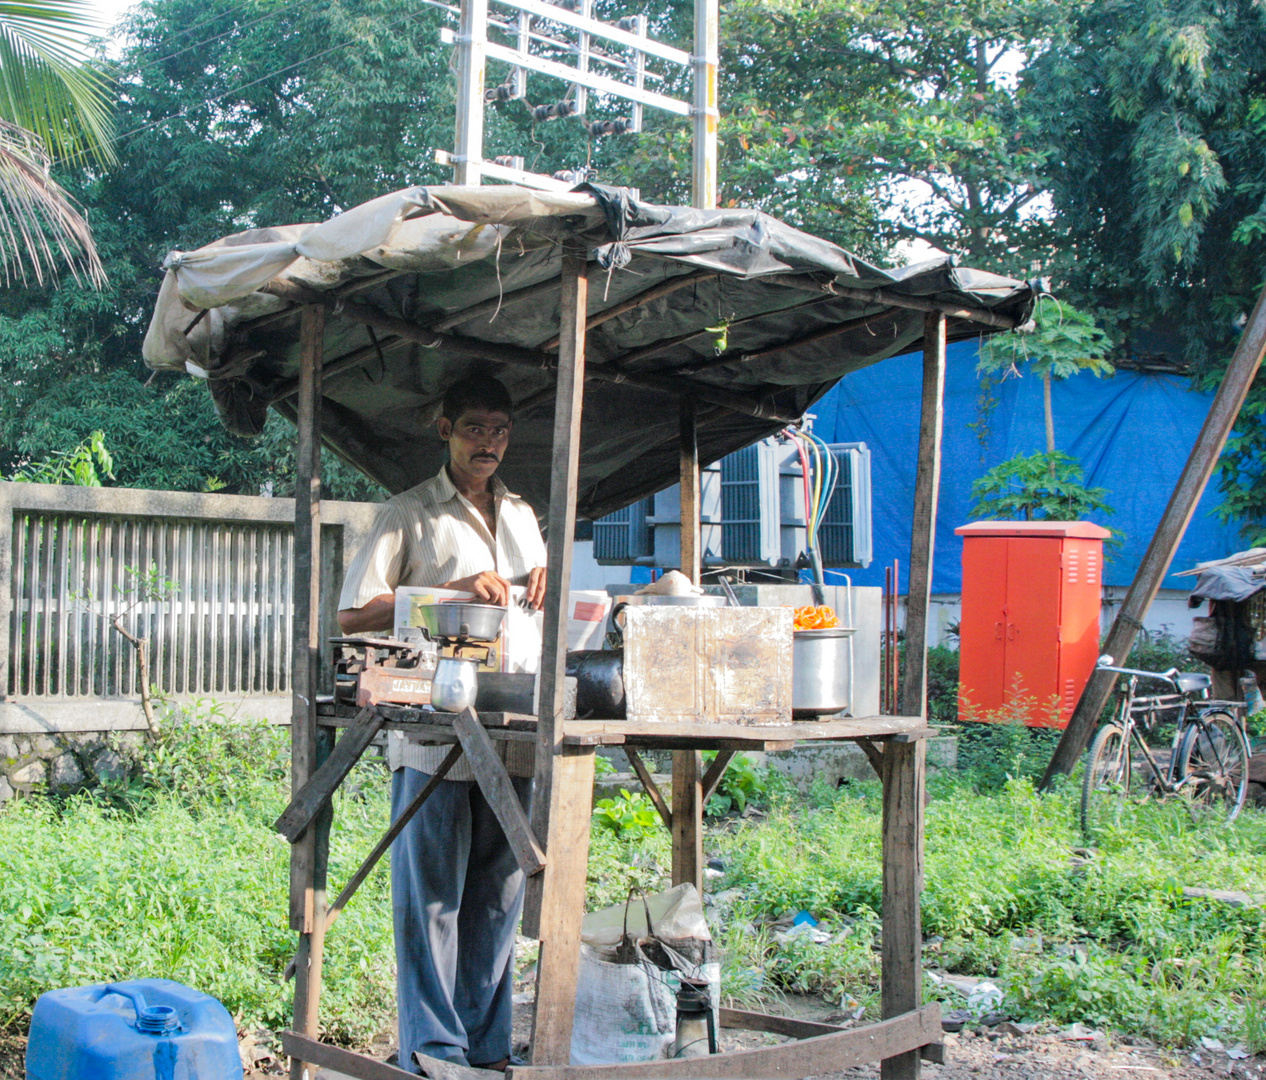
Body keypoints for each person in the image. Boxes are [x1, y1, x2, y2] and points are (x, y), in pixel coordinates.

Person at [337, 374, 547, 1073]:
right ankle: (432, 1051)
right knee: (431, 902)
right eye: (475, 428)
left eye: (499, 430)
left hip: (513, 724)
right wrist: (445, 593)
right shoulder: (410, 514)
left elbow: (527, 603)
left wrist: (544, 578)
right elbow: (353, 613)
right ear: (444, 429)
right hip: (433, 732)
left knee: (498, 900)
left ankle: (483, 1051)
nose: (488, 442)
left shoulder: (520, 514)